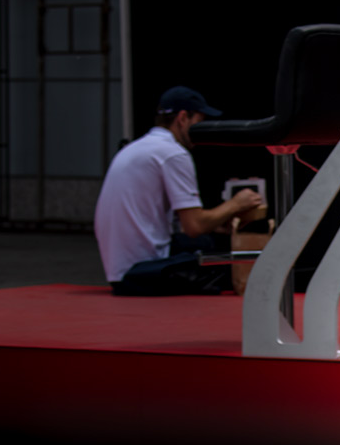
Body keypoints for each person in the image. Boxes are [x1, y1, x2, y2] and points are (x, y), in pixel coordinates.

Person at [94, 86, 265, 296]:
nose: (201, 131)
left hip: (121, 269)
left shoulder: (138, 147)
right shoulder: (173, 154)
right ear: (183, 118)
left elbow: (181, 224)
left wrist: (217, 223)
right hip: (145, 271)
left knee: (206, 240)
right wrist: (236, 204)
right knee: (217, 251)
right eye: (198, 122)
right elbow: (193, 226)